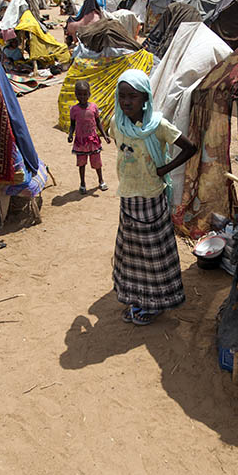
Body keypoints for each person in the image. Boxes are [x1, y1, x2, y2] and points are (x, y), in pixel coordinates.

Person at [111, 70, 197, 326]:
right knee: (133, 255)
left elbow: (190, 147)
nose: (126, 102)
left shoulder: (158, 125)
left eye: (133, 97)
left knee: (155, 256)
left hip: (152, 199)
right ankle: (138, 297)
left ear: (145, 98)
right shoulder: (117, 124)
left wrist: (164, 169)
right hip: (128, 198)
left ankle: (156, 303)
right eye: (122, 96)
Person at [68, 80, 111, 194]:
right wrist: (70, 135)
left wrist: (105, 136)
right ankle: (82, 184)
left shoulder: (93, 107)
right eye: (80, 94)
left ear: (89, 94)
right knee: (81, 163)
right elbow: (72, 124)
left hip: (92, 140)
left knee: (97, 162)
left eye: (85, 94)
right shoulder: (74, 110)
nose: (82, 97)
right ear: (76, 94)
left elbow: (98, 122)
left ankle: (101, 181)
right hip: (81, 142)